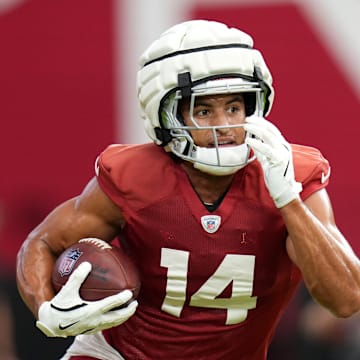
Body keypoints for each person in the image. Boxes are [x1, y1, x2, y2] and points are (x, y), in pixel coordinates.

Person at [16, 19, 360, 360]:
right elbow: (43, 242)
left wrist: (289, 200)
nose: (225, 126)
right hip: (116, 354)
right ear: (165, 115)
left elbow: (346, 299)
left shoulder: (292, 177)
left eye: (234, 107)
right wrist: (45, 308)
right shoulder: (135, 176)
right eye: (204, 110)